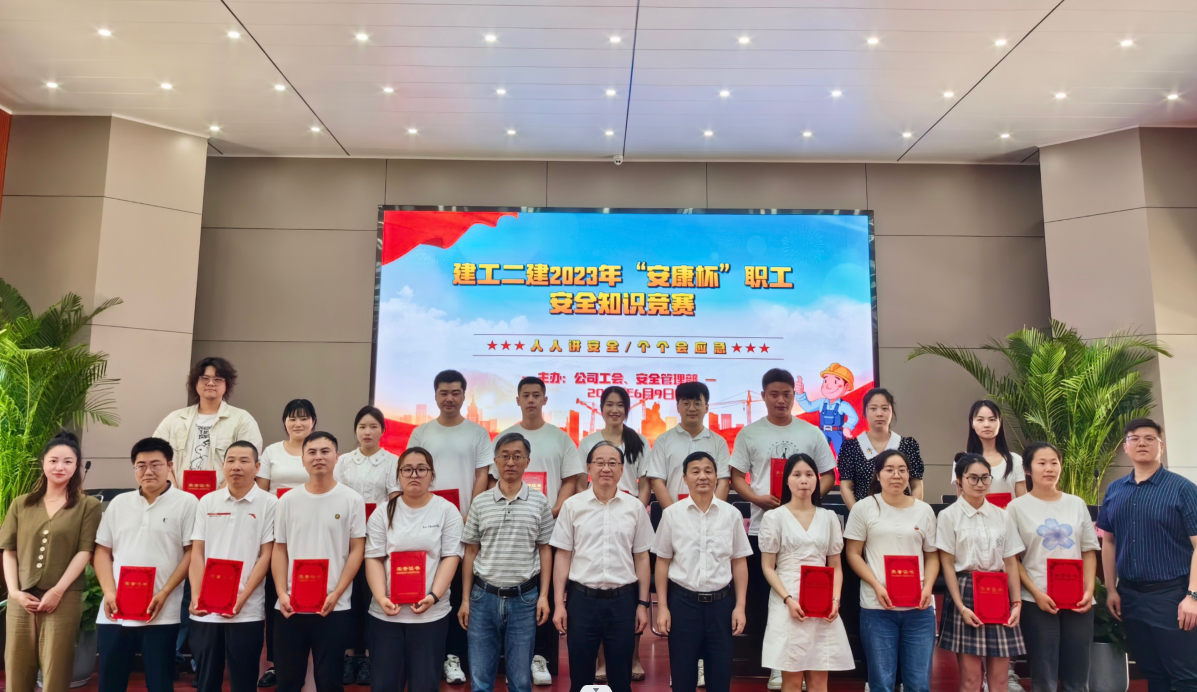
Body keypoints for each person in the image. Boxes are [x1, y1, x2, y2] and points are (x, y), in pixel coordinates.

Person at [153, 356, 262, 673]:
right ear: (195, 383)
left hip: (221, 508)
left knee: (211, 572)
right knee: (177, 575)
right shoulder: (175, 419)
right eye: (204, 378)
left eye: (217, 378)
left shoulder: (241, 420)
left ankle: (205, 659)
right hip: (179, 506)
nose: (210, 383)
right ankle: (172, 653)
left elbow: (245, 463)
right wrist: (178, 493)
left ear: (227, 384)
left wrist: (215, 496)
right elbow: (159, 457)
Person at [729, 368, 836, 690]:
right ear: (763, 396)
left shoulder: (811, 432)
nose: (781, 400)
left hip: (805, 530)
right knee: (768, 603)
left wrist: (807, 500)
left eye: (787, 394)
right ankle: (777, 667)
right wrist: (756, 499)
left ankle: (803, 664)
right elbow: (736, 477)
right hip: (763, 528)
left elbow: (828, 474)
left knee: (807, 599)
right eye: (774, 394)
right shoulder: (750, 433)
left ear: (793, 396)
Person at [490, 376, 585, 685]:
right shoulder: (505, 437)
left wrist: (554, 509)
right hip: (510, 528)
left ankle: (540, 657)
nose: (531, 400)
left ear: (545, 400)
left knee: (544, 591)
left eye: (536, 395)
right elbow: (494, 479)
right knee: (510, 589)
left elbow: (570, 480)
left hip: (549, 527)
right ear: (518, 400)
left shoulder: (559, 438)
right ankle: (509, 660)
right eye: (526, 395)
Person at [406, 369, 493, 685]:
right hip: (426, 520)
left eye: (456, 392)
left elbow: (482, 475)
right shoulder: (422, 432)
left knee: (458, 587)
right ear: (435, 396)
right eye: (444, 392)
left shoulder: (477, 433)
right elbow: (411, 470)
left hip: (465, 521)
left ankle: (454, 656)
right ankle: (427, 656)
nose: (449, 398)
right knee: (427, 582)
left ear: (464, 395)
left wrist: (471, 513)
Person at [1098, 418, 1197, 692]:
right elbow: (1109, 541)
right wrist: (1111, 589)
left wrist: (1193, 596)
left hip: (1172, 596)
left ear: (1161, 446)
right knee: (1152, 674)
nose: (1142, 443)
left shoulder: (1183, 489)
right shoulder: (1115, 490)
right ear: (1125, 447)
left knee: (1185, 677)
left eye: (1150, 438)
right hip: (1130, 597)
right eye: (1135, 438)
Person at [94, 437, 198, 692]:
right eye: (141, 466)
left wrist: (165, 592)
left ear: (170, 466)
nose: (148, 471)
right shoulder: (119, 503)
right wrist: (109, 592)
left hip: (161, 612)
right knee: (110, 682)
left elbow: (191, 553)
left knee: (160, 681)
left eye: (156, 464)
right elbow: (102, 551)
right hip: (115, 612)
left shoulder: (187, 503)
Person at [1, 432, 103, 692]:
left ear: (76, 466)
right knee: (17, 666)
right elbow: (9, 550)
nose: (60, 467)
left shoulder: (88, 506)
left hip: (64, 597)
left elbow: (85, 551)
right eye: (54, 460)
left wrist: (57, 591)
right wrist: (15, 593)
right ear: (43, 463)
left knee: (56, 668)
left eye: (68, 462)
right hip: (21, 597)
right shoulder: (21, 504)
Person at [550, 441, 653, 692]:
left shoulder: (635, 508)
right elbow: (562, 556)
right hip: (582, 601)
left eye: (612, 463)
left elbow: (642, 558)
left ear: (621, 470)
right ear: (589, 468)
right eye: (600, 462)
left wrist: (642, 605)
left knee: (621, 679)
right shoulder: (573, 506)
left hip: (623, 602)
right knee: (581, 678)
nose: (606, 468)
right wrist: (559, 604)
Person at [271, 431, 367, 692]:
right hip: (291, 606)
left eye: (325, 451)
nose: (318, 457)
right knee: (288, 682)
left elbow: (357, 550)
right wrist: (281, 593)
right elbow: (279, 549)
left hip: (333, 605)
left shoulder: (352, 500)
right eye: (311, 452)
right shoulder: (287, 500)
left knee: (330, 681)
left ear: (337, 457)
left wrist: (337, 593)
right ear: (302, 460)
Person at [460, 432, 555, 692]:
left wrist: (544, 596)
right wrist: (466, 600)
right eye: (505, 456)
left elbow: (545, 550)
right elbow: (470, 551)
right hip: (483, 598)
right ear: (495, 461)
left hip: (525, 599)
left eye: (517, 456)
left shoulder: (540, 502)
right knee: (480, 681)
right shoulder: (480, 502)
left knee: (521, 681)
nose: (511, 462)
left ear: (527, 462)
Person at [364, 446, 464, 692]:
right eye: (407, 469)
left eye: (421, 469)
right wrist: (381, 598)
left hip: (431, 615)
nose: (414, 475)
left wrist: (434, 596)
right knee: (385, 684)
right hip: (386, 614)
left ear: (432, 474)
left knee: (425, 684)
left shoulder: (446, 510)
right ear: (398, 475)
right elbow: (373, 558)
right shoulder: (383, 511)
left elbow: (451, 557)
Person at [654, 451, 750, 692]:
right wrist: (663, 607)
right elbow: (662, 562)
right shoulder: (672, 514)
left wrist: (740, 606)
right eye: (695, 471)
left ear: (717, 476)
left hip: (721, 606)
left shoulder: (731, 514)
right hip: (683, 605)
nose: (702, 476)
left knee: (720, 679)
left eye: (708, 471)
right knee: (683, 678)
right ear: (685, 478)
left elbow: (739, 562)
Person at [844, 450, 939, 692]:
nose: (896, 475)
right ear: (878, 475)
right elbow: (853, 553)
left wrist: (927, 587)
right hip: (877, 608)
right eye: (889, 470)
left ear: (909, 475)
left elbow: (932, 555)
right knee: (881, 683)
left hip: (919, 609)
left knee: (918, 684)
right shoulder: (864, 508)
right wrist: (877, 585)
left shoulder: (924, 511)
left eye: (902, 470)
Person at [1007, 442, 1099, 692]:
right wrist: (1036, 593)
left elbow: (1089, 550)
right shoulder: (1016, 508)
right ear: (1028, 469)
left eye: (1054, 462)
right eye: (1042, 463)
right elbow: (1013, 559)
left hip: (1078, 600)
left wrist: (1089, 591)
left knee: (1077, 677)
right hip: (1037, 600)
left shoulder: (1076, 503)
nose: (1049, 468)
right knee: (1044, 677)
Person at [759, 454, 855, 692]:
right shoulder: (774, 517)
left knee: (819, 680)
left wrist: (835, 600)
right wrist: (788, 599)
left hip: (822, 602)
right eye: (797, 475)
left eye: (809, 475)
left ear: (817, 479)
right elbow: (768, 567)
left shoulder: (829, 517)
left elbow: (835, 566)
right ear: (787, 480)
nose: (804, 480)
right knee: (791, 681)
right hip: (787, 599)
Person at [575, 385, 651, 683]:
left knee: (627, 588)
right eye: (609, 404)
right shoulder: (589, 442)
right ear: (601, 408)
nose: (615, 409)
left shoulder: (638, 441)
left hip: (628, 514)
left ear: (627, 409)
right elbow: (581, 481)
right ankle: (601, 662)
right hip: (596, 511)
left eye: (620, 405)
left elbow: (645, 482)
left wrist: (636, 508)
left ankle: (633, 656)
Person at [189, 441, 277, 692]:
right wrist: (196, 595)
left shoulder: (270, 503)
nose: (236, 466)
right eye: (231, 460)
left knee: (243, 681)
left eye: (244, 461)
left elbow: (266, 556)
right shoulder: (207, 501)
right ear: (223, 465)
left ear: (257, 467)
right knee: (206, 681)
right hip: (206, 610)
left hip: (246, 610)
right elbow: (197, 552)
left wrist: (241, 599)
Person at [936, 453, 1026, 692]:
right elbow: (947, 566)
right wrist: (961, 607)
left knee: (1000, 679)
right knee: (970, 679)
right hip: (965, 592)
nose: (980, 483)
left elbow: (1011, 562)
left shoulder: (1002, 516)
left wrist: (1016, 602)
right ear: (959, 480)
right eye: (973, 478)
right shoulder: (948, 516)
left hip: (998, 593)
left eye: (985, 478)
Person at [335, 406, 401, 686]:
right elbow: (335, 496)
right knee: (348, 597)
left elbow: (395, 501)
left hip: (377, 538)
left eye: (373, 426)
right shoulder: (343, 461)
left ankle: (370, 658)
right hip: (346, 538)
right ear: (356, 430)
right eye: (362, 426)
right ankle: (350, 655)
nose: (367, 432)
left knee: (372, 595)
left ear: (383, 431)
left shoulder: (392, 461)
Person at [254, 398, 316, 688]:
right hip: (277, 530)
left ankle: (310, 659)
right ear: (284, 422)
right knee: (274, 597)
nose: (298, 423)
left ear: (313, 422)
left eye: (303, 418)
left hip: (311, 530)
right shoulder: (272, 451)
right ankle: (277, 664)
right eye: (292, 418)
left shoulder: (317, 449)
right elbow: (262, 492)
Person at [647, 381, 732, 508]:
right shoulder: (663, 440)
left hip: (710, 515)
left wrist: (712, 514)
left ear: (706, 408)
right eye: (686, 403)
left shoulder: (719, 442)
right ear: (678, 407)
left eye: (697, 403)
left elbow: (723, 482)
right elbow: (657, 481)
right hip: (674, 513)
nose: (692, 408)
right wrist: (673, 514)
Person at [837, 388, 924, 506]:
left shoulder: (907, 445)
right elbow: (845, 486)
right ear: (865, 412)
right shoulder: (851, 446)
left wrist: (913, 511)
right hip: (864, 512)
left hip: (901, 511)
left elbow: (916, 484)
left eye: (885, 408)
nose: (879, 414)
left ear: (892, 412)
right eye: (873, 408)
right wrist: (856, 513)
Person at [950, 401, 1025, 502]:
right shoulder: (962, 460)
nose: (987, 425)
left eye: (992, 419)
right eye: (980, 420)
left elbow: (1021, 502)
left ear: (1000, 422)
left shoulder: (1016, 460)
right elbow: (962, 501)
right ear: (972, 423)